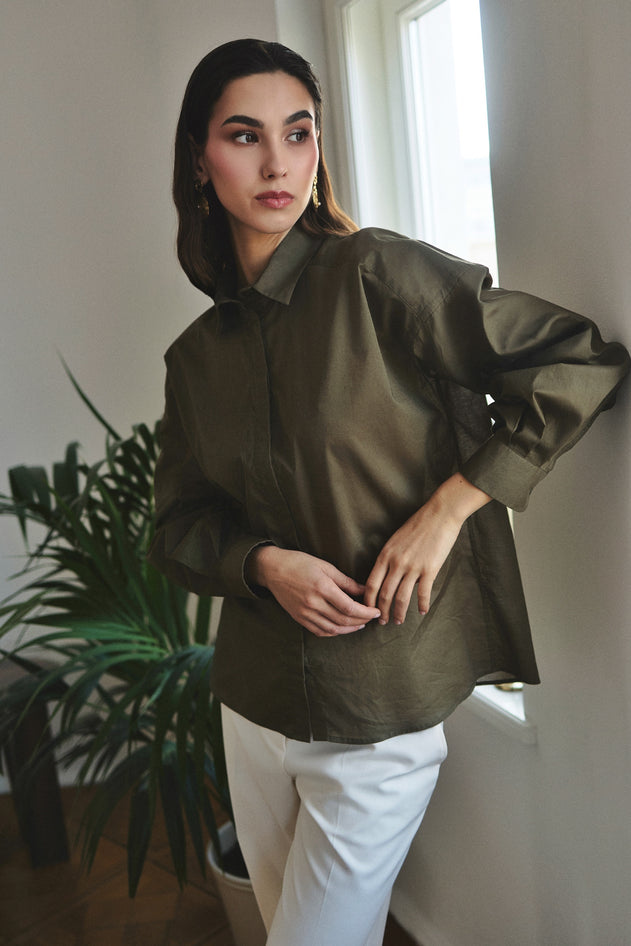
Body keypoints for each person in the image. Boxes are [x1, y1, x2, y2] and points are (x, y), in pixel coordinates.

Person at [148, 38, 629, 946]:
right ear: (200, 163)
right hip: (252, 701)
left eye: (298, 132)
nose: (278, 160)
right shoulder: (196, 358)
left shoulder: (375, 275)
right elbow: (177, 525)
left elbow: (573, 359)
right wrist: (264, 564)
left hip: (375, 707)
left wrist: (450, 507)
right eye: (245, 136)